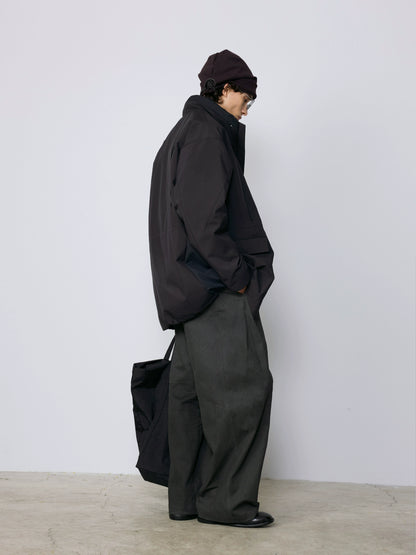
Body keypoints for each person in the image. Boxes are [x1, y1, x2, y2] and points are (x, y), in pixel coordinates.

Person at [148, 49, 275, 528]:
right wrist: (237, 278)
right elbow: (204, 220)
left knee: (191, 400)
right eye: (245, 97)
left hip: (188, 292)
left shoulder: (184, 132)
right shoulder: (204, 134)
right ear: (224, 90)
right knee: (242, 393)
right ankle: (225, 504)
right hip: (213, 291)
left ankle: (187, 500)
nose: (247, 108)